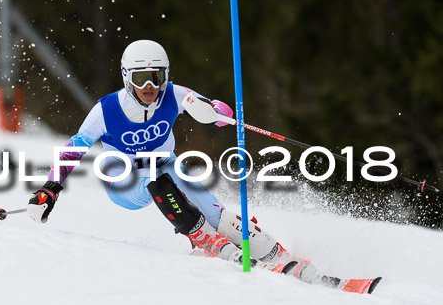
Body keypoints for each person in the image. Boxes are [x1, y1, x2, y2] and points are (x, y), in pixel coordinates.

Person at [26, 40, 297, 269]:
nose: (150, 86)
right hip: (123, 179)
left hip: (166, 165)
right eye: (141, 78)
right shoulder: (106, 110)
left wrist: (215, 111)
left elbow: (219, 115)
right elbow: (74, 149)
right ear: (126, 77)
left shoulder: (175, 94)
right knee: (154, 179)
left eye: (157, 77)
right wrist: (51, 188)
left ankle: (275, 255)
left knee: (214, 212)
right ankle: (204, 239)